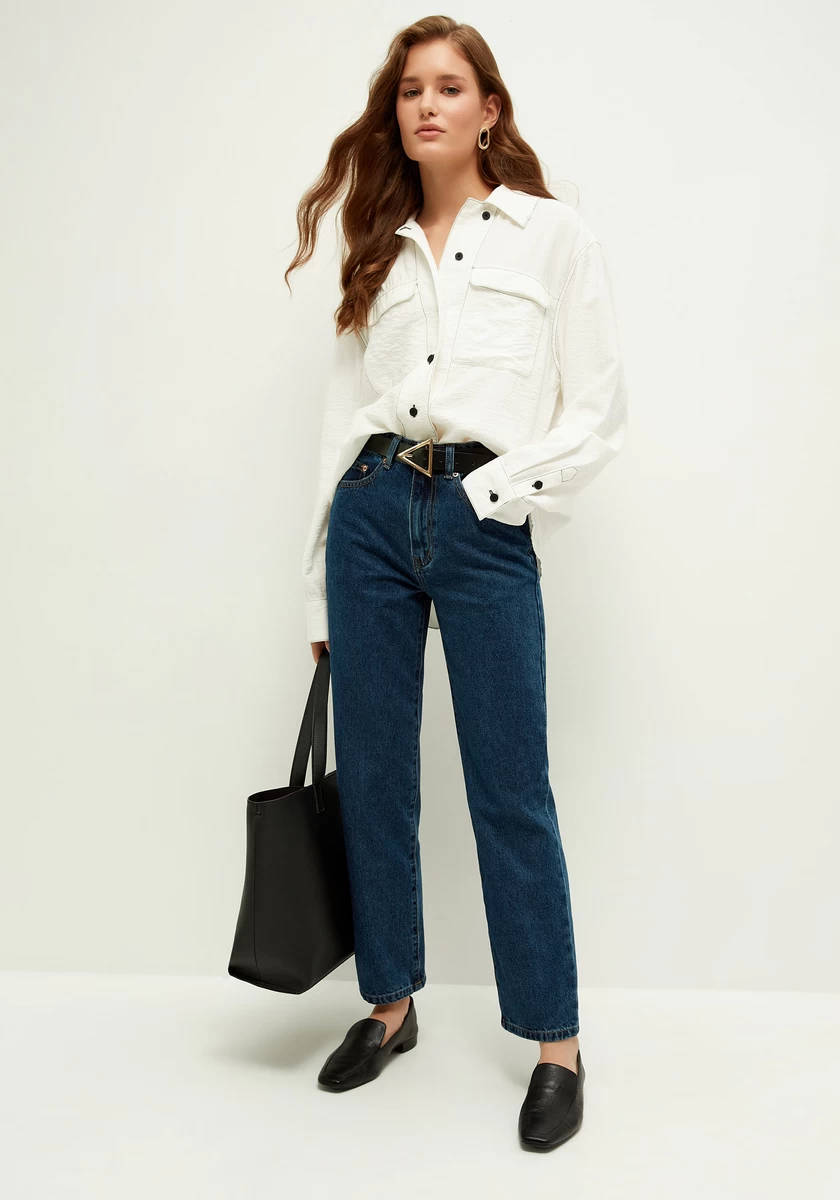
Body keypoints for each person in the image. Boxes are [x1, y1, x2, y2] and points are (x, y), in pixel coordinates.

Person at [284, 16, 627, 1151]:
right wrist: (316, 590)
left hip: (485, 520)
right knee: (378, 778)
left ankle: (555, 1043)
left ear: (489, 109)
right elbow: (341, 424)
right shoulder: (376, 248)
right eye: (409, 90)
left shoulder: (551, 236)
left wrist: (498, 492)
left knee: (509, 786)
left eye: (448, 86)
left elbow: (597, 411)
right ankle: (389, 1004)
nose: (425, 105)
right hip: (371, 516)